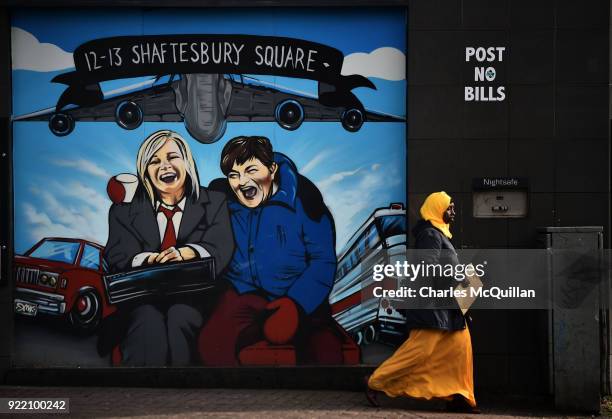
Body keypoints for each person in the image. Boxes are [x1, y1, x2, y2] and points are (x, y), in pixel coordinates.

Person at [198, 135, 343, 365]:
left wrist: (297, 304)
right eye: (234, 175)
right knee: (212, 344)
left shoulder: (305, 201)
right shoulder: (222, 202)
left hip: (298, 301)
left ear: (272, 169)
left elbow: (322, 261)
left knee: (326, 353)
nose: (242, 182)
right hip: (242, 296)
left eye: (251, 170)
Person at [103, 129, 234, 366]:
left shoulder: (214, 202)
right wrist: (148, 260)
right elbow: (117, 255)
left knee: (180, 317)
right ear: (145, 172)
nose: (165, 166)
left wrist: (187, 253)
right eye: (154, 161)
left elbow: (221, 247)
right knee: (146, 322)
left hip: (195, 298)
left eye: (172, 157)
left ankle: (186, 393)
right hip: (142, 299)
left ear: (187, 163)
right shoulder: (123, 211)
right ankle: (144, 396)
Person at [366, 191, 478, 413]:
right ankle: (375, 382)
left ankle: (458, 396)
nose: (453, 211)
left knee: (460, 348)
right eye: (449, 207)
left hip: (445, 308)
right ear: (438, 209)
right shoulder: (430, 234)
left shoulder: (441, 235)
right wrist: (459, 277)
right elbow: (428, 269)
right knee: (421, 350)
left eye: (454, 207)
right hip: (431, 307)